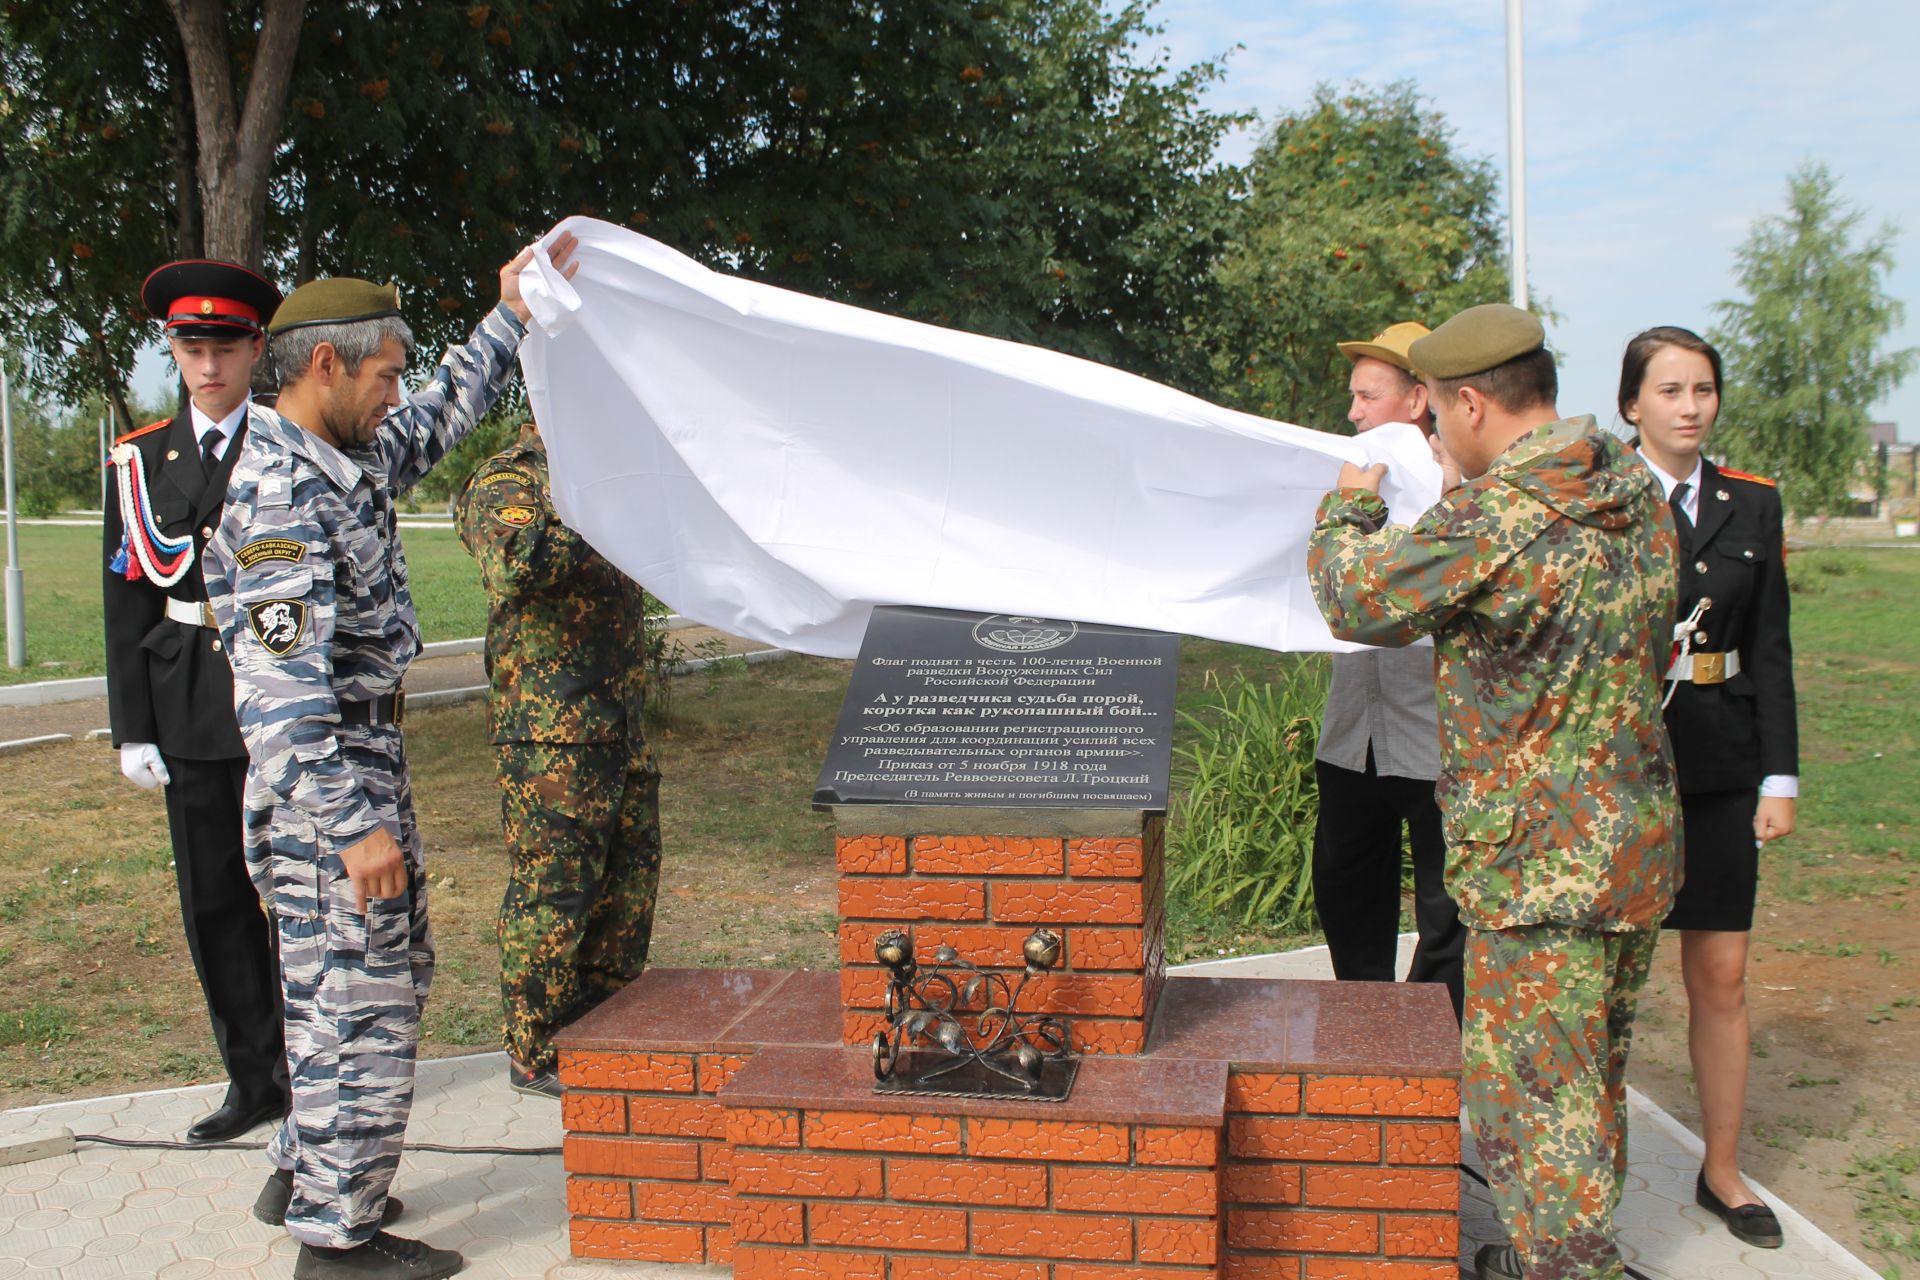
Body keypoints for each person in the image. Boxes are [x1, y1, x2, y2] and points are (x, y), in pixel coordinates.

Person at [204, 230, 581, 1280]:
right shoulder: (279, 498)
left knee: (367, 977)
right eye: (384, 374)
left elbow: (438, 416)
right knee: (358, 994)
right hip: (329, 781)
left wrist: (508, 313)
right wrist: (354, 824)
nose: (395, 395)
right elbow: (281, 702)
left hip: (365, 759)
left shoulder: (343, 447)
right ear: (325, 364)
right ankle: (336, 1238)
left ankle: (305, 1166)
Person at [1308, 304, 1682, 1280]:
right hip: (1630, 850)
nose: (1432, 434)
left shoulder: (1498, 514)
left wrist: (1350, 498)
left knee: (1532, 1117)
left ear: (1471, 402)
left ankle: (1564, 1259)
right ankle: (1558, 1248)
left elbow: (1356, 597)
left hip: (1539, 874)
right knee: (1587, 1088)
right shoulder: (1630, 488)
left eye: (1435, 414)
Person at [104, 259, 290, 1144]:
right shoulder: (141, 459)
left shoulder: (292, 441)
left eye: (224, 345)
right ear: (172, 350)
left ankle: (314, 1067)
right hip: (186, 697)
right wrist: (131, 728)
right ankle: (252, 1078)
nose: (207, 365)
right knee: (213, 900)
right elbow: (127, 598)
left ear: (257, 347)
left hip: (278, 695)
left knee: (299, 897)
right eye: (189, 346)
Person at [1620, 325, 1796, 1248]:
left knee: (1720, 975)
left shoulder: (1751, 506)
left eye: (1704, 390)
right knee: (1605, 980)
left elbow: (1769, 645)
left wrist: (1781, 773)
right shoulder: (1603, 500)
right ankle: (1583, 1169)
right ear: (1631, 406)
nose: (1691, 407)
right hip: (1618, 768)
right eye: (1671, 391)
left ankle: (1722, 1170)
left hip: (1722, 764)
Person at [453, 418, 661, 1100]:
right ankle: (536, 1047)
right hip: (550, 732)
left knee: (625, 890)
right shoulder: (515, 476)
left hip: (618, 725)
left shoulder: (609, 472)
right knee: (556, 891)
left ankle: (600, 1031)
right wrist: (593, 502)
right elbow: (511, 563)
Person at [1312, 321, 1464, 1020]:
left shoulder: (1460, 488)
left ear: (1415, 400)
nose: (1353, 413)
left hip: (1435, 734)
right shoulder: (1342, 477)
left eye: (1367, 396)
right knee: (1344, 883)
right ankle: (1367, 1029)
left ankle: (1433, 1040)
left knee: (1448, 907)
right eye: (1352, 397)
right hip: (1353, 733)